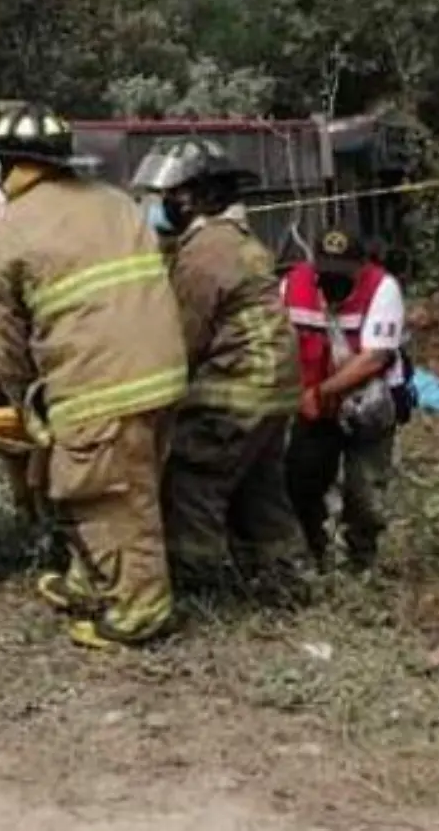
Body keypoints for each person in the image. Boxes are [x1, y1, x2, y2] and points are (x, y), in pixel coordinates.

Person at [0, 103, 186, 649]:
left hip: (100, 383)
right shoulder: (117, 202)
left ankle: (141, 612)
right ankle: (90, 580)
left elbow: (2, 335)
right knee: (120, 483)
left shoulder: (10, 230)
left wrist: (25, 398)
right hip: (162, 373)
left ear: (8, 165)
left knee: (103, 497)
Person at [131, 137, 304, 602]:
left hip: (235, 389)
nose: (157, 206)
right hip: (274, 389)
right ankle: (285, 579)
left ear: (193, 197)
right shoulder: (235, 241)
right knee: (259, 490)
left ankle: (200, 586)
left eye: (163, 196)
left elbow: (182, 338)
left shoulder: (204, 253)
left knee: (192, 480)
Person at [280, 227, 408, 571]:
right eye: (326, 273)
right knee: (302, 482)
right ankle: (316, 555)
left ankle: (361, 561)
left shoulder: (382, 288)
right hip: (313, 404)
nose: (333, 281)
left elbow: (375, 358)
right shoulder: (293, 284)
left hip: (367, 404)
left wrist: (322, 391)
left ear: (360, 266)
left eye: (342, 273)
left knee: (364, 494)